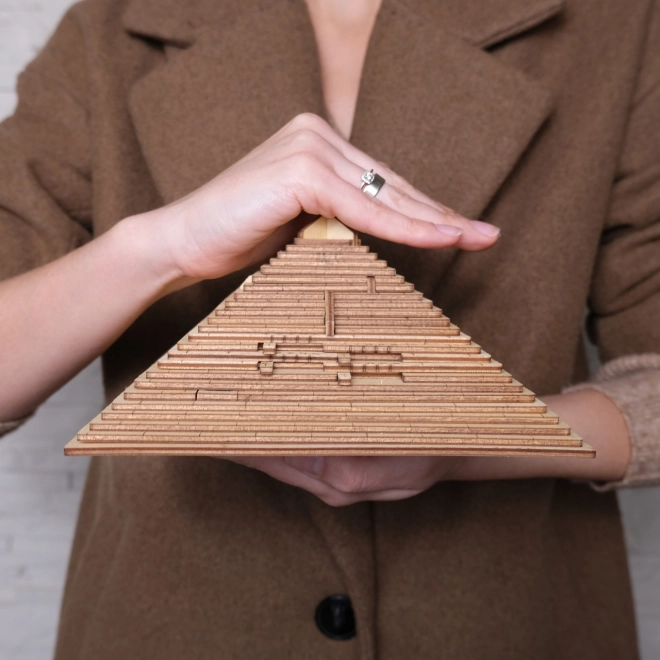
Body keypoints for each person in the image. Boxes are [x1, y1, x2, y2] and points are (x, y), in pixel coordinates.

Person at [1, 0, 658, 657]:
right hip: (170, 629)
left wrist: (468, 440)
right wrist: (164, 246)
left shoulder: (617, 24)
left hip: (512, 623)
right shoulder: (110, 28)